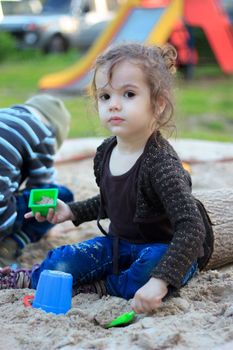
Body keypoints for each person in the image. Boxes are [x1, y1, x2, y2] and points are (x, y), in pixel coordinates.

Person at [0, 43, 213, 314]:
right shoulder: (106, 152)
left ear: (158, 104)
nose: (114, 105)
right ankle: (30, 277)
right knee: (61, 260)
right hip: (118, 245)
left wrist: (160, 282)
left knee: (147, 270)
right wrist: (71, 211)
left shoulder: (161, 165)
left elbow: (192, 228)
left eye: (128, 94)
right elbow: (111, 200)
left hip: (160, 249)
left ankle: (102, 287)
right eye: (105, 96)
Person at [0, 94, 74, 267]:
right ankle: (10, 245)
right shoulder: (43, 133)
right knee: (62, 195)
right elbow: (43, 189)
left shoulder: (5, 115)